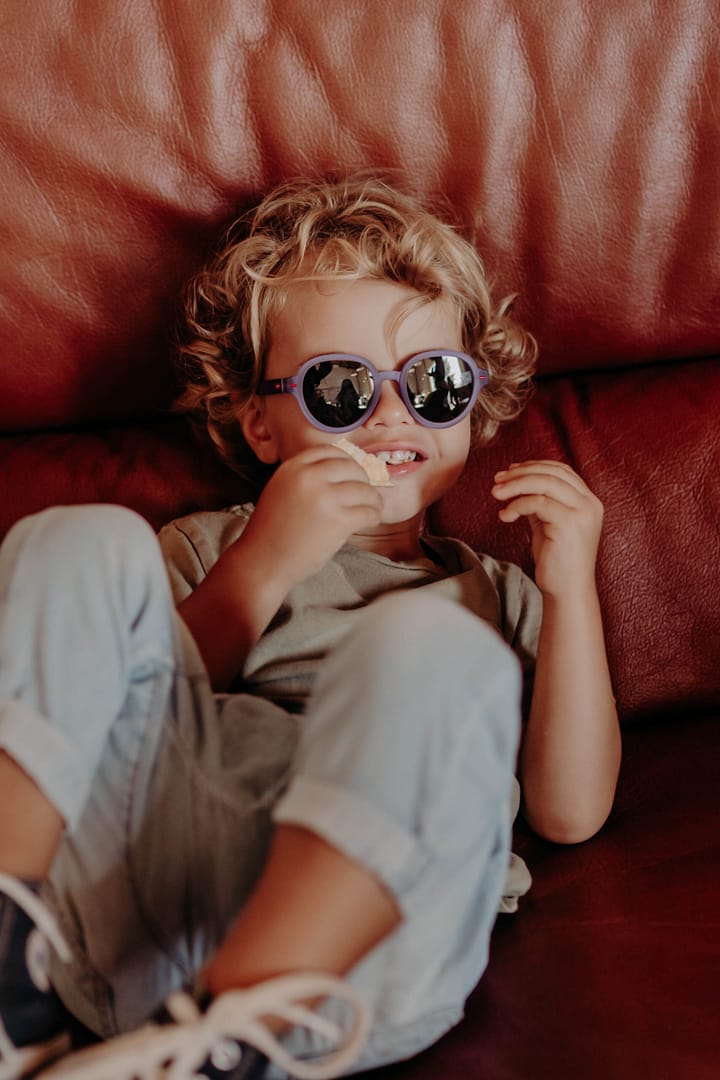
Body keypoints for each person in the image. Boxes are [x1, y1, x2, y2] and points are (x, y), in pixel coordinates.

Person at [0, 176, 621, 1079]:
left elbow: (569, 813)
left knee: (433, 647)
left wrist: (570, 592)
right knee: (76, 541)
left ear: (472, 408)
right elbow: (119, 728)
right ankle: (8, 940)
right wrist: (266, 562)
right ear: (260, 425)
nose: (392, 413)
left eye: (434, 383)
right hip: (146, 911)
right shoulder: (213, 550)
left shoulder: (496, 596)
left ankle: (234, 1031)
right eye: (340, 387)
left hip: (367, 961)